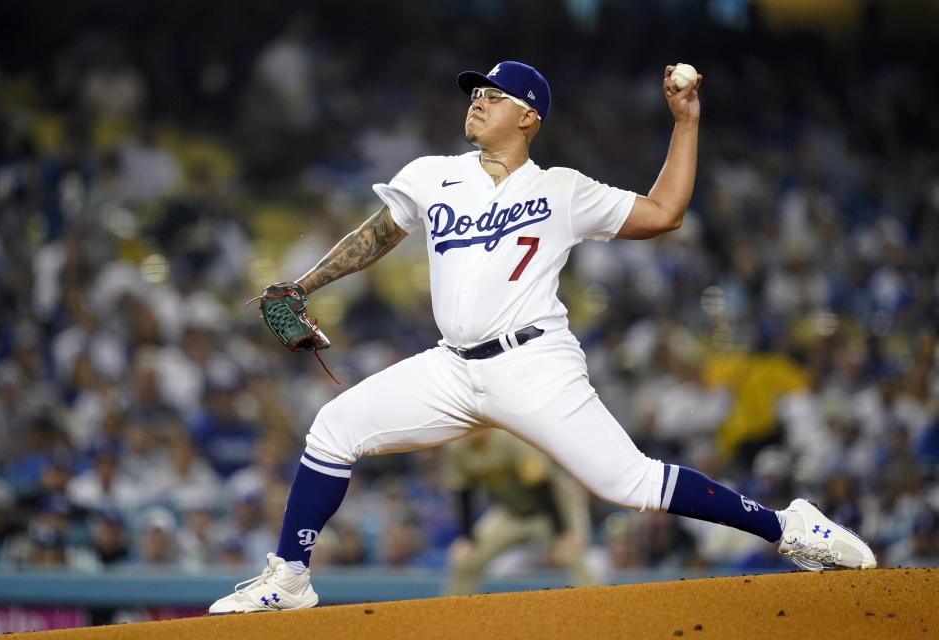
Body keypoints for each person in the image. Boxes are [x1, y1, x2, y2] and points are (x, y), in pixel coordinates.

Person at [208, 60, 876, 614]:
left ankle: (790, 527)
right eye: (475, 92)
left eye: (493, 96)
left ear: (528, 116)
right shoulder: (433, 174)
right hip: (451, 367)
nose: (477, 102)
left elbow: (665, 212)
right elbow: (377, 235)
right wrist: (304, 283)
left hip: (533, 363)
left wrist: (685, 125)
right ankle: (289, 578)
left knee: (629, 482)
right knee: (332, 429)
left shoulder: (563, 189)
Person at [442, 429, 597, 595]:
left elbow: (542, 485)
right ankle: (451, 615)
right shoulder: (456, 447)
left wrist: (562, 532)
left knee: (571, 552)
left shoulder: (509, 438)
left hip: (554, 507)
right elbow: (464, 493)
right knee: (465, 559)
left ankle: (598, 605)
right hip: (511, 511)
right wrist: (467, 538)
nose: (467, 427)